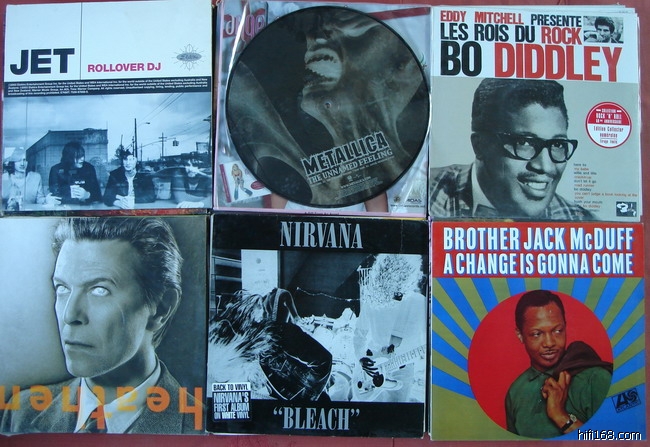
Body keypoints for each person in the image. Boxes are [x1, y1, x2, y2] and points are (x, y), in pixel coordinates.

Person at [0, 217, 202, 434]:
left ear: (162, 307)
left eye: (99, 290)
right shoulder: (22, 412)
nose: (70, 315)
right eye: (62, 288)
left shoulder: (200, 430)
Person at [228, 7, 427, 209]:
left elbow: (377, 199)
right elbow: (277, 191)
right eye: (313, 33)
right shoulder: (283, 142)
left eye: (347, 31)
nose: (313, 40)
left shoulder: (377, 156)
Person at [429, 78, 596, 220]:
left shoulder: (583, 222)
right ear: (479, 146)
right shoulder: (425, 194)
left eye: (558, 144)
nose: (546, 167)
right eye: (525, 143)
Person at [505, 290, 612, 438]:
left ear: (565, 327)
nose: (549, 343)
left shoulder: (595, 378)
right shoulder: (515, 392)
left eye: (557, 331)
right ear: (520, 335)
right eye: (537, 334)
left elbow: (618, 439)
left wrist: (561, 417)